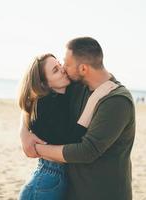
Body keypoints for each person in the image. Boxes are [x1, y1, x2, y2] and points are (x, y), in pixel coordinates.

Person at [20, 37, 135, 200]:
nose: (63, 69)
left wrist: (38, 149)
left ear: (83, 69)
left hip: (103, 194)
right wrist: (24, 132)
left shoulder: (117, 100)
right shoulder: (75, 86)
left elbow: (87, 151)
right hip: (70, 190)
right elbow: (35, 98)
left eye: (66, 64)